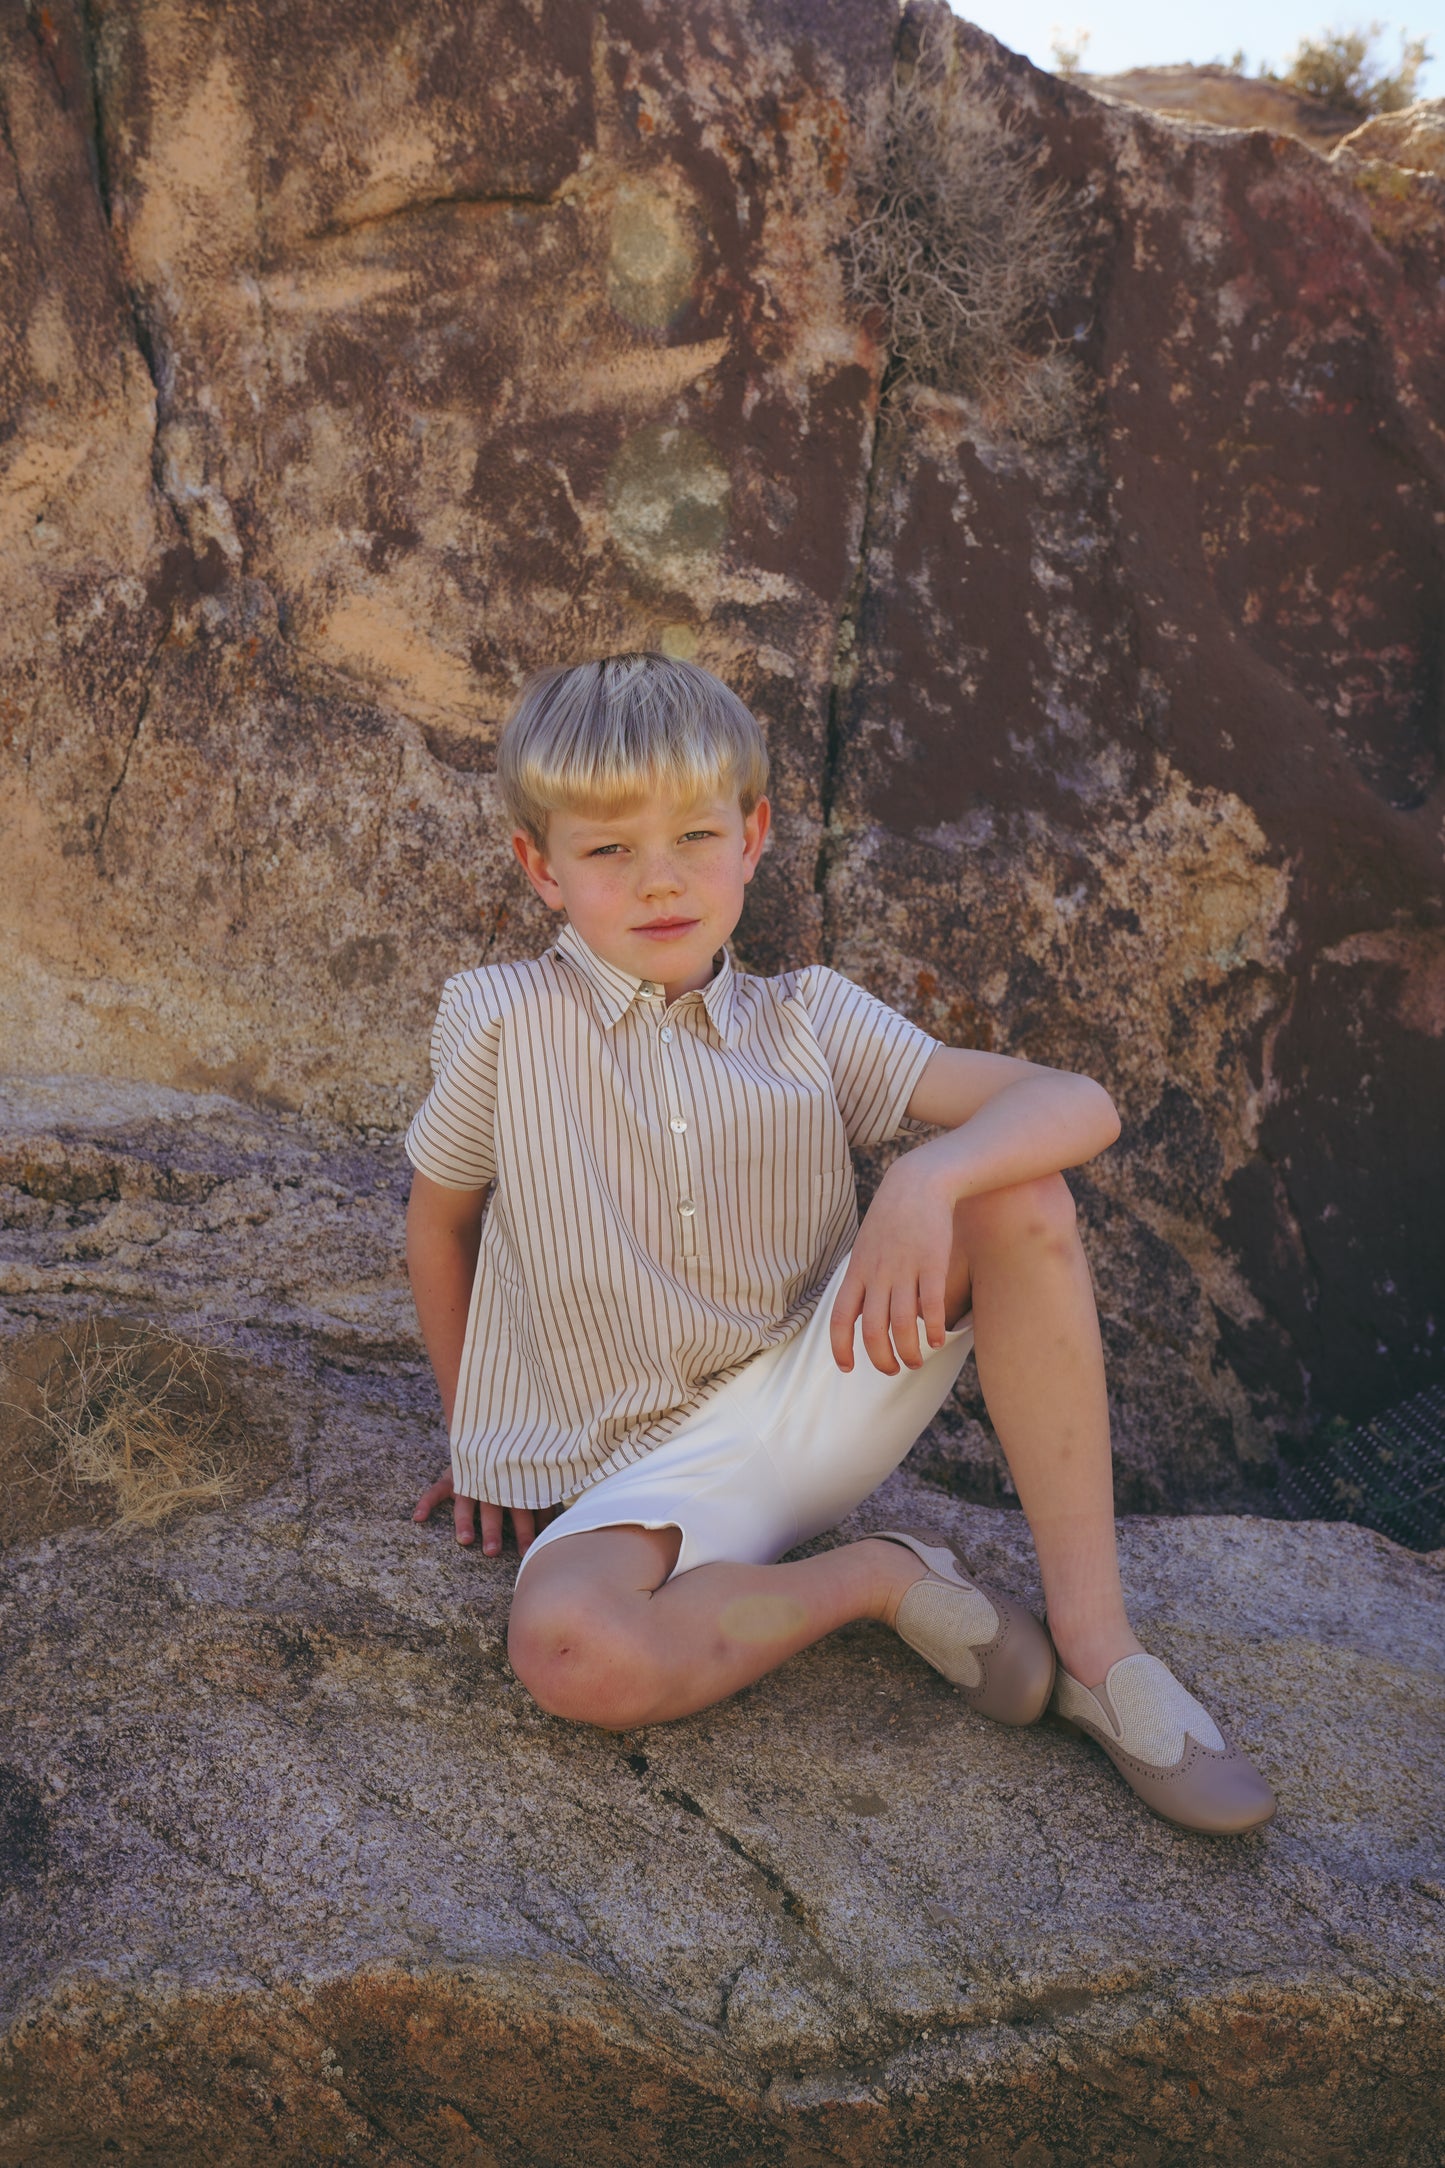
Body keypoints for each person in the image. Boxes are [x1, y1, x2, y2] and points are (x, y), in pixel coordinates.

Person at [406, 653, 1275, 1835]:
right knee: (570, 1650)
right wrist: (478, 1434)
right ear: (539, 867)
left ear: (755, 835)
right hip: (628, 1474)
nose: (659, 882)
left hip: (822, 1386)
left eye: (695, 837)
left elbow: (1075, 1099)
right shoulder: (498, 1021)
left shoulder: (807, 1014)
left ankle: (1098, 1648)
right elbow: (440, 1219)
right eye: (608, 850)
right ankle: (872, 1580)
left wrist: (928, 1170)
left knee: (1018, 1197)